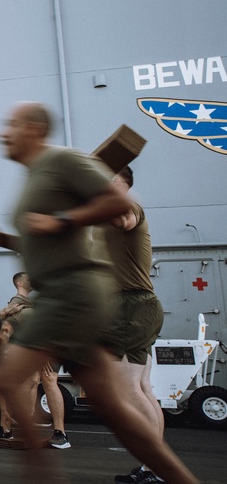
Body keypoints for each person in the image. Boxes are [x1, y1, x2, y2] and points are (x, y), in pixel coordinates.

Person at [0, 102, 196, 484]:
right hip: (77, 293)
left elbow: (119, 204)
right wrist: (4, 240)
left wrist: (62, 218)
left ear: (33, 128)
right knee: (111, 405)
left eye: (10, 125)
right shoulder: (35, 177)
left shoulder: (62, 161)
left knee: (10, 379)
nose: (3, 133)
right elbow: (43, 243)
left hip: (73, 292)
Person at [100, 167, 167, 484]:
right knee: (142, 389)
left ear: (119, 182)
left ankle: (155, 467)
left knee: (128, 391)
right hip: (135, 306)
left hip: (132, 306)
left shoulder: (128, 207)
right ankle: (153, 467)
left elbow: (124, 219)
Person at [0, 272, 71, 448]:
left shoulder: (25, 316)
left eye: (1, 340)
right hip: (31, 345)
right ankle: (6, 428)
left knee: (48, 378)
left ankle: (60, 433)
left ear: (6, 330)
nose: (0, 344)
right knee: (25, 380)